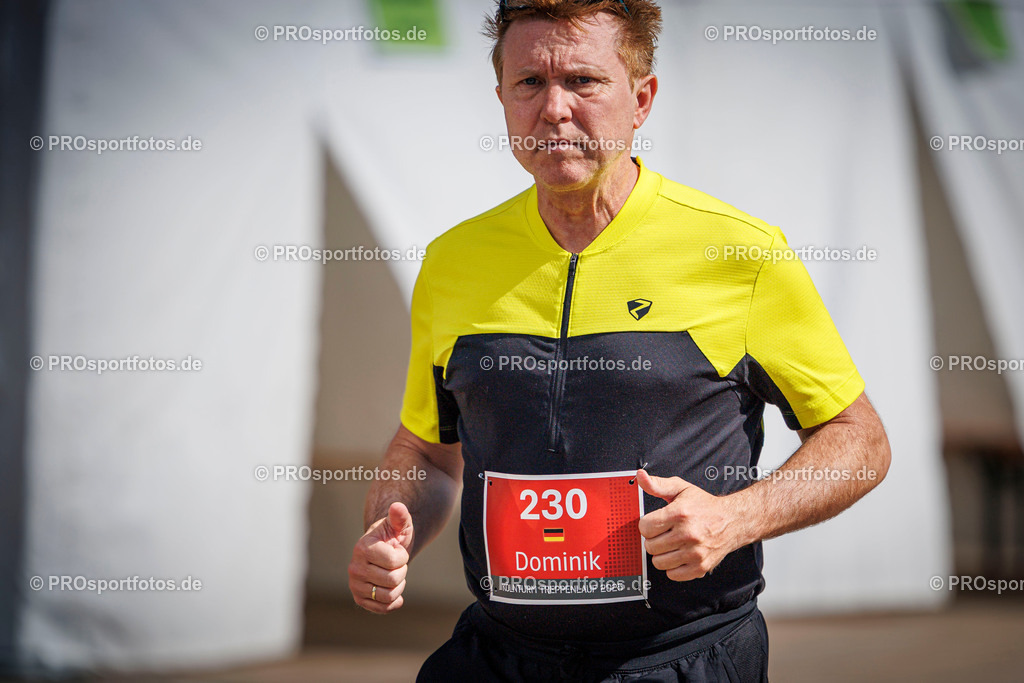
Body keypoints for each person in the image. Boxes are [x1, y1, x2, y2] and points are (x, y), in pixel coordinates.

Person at [348, 1, 891, 680]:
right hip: (496, 655)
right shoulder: (452, 261)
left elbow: (860, 438)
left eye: (582, 81)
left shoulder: (741, 253)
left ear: (642, 99)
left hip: (681, 659)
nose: (553, 108)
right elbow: (425, 449)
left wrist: (735, 518)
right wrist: (389, 528)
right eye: (529, 84)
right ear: (502, 100)